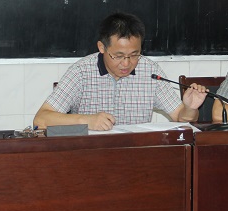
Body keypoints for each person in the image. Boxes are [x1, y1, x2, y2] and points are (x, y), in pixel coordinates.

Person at [34, 12, 208, 130]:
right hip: (91, 156)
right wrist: (87, 120)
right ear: (102, 47)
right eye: (118, 56)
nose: (126, 63)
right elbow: (41, 119)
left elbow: (181, 118)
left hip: (135, 156)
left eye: (134, 55)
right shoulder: (81, 72)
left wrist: (190, 108)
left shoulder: (150, 71)